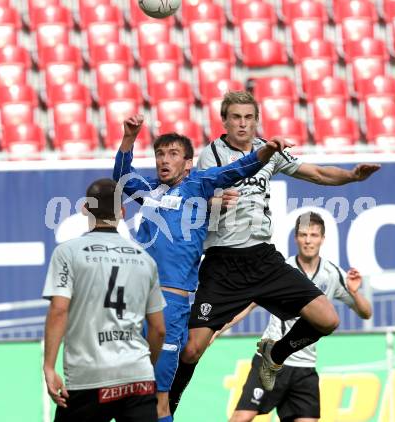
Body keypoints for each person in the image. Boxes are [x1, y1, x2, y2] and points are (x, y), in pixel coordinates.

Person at [169, 91, 380, 412]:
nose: (243, 123)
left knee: (327, 319)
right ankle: (167, 406)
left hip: (264, 259)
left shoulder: (268, 151)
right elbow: (193, 199)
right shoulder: (211, 154)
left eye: (249, 117)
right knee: (191, 350)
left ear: (256, 120)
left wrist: (352, 177)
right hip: (223, 264)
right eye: (236, 117)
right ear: (224, 120)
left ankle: (275, 355)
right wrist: (215, 201)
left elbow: (318, 173)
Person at [112, 115, 294, 422]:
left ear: (187, 162)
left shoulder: (198, 186)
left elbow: (237, 169)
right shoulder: (150, 192)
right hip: (133, 303)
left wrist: (265, 152)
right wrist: (129, 138)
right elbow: (121, 178)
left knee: (159, 399)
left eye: (172, 154)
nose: (164, 161)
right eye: (159, 154)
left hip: (170, 304)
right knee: (127, 391)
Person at [215, 211, 373, 422]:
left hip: (305, 368)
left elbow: (366, 312)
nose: (308, 240)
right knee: (241, 418)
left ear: (322, 239)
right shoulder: (282, 270)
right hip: (269, 363)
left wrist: (354, 292)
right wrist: (217, 329)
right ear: (296, 237)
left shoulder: (332, 273)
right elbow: (249, 304)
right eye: (303, 234)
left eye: (314, 235)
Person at [42, 178, 167, 422]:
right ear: (122, 211)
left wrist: (49, 366)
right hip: (137, 377)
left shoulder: (68, 252)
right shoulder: (144, 259)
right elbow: (159, 329)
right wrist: (145, 366)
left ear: (85, 209)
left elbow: (59, 310)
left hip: (89, 376)